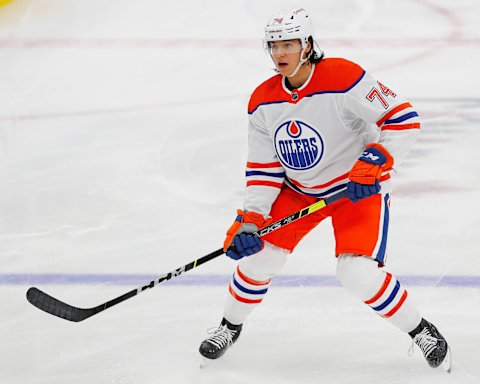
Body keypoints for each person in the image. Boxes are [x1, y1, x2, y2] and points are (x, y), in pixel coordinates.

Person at [199, 7, 451, 372]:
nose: (280, 53)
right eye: (274, 45)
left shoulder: (343, 77)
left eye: (289, 44)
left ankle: (421, 331)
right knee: (259, 256)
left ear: (308, 45)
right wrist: (252, 217)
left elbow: (402, 119)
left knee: (357, 273)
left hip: (354, 190)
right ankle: (228, 326)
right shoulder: (263, 100)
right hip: (300, 191)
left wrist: (375, 161)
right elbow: (264, 167)